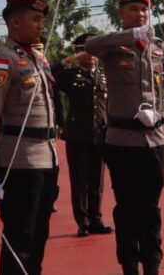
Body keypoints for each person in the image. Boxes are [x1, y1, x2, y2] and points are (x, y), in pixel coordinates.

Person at [84, 0, 164, 275]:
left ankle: (153, 264)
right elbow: (91, 46)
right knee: (127, 208)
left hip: (154, 140)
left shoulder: (158, 47)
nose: (140, 14)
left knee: (151, 208)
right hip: (122, 142)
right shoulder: (113, 45)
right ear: (121, 14)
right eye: (133, 9)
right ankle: (130, 265)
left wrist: (161, 114)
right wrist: (129, 36)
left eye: (144, 10)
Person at [0, 0, 60, 275]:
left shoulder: (38, 58)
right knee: (20, 238)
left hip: (47, 159)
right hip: (20, 161)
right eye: (35, 19)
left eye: (42, 20)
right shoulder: (3, 60)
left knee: (40, 234)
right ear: (14, 22)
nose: (41, 26)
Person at [55, 33, 113, 237]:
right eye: (84, 50)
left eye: (92, 51)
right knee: (79, 180)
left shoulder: (105, 74)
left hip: (100, 134)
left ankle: (96, 218)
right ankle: (83, 221)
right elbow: (50, 73)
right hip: (77, 135)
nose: (89, 55)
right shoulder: (70, 75)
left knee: (97, 180)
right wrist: (66, 60)